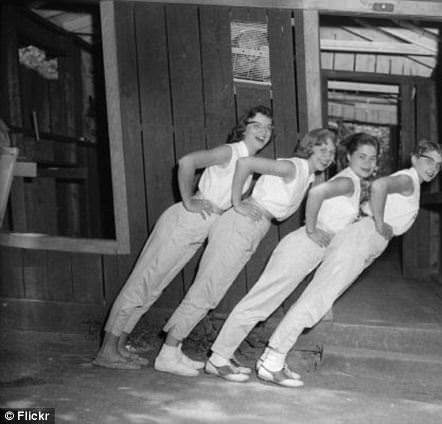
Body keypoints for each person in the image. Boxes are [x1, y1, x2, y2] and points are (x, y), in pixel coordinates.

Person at [93, 105, 273, 370]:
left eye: (268, 127)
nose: (263, 132)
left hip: (198, 228)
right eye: (257, 125)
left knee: (154, 285)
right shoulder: (230, 151)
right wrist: (188, 200)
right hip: (185, 221)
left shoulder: (248, 162)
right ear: (243, 127)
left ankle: (119, 345)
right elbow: (187, 161)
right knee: (144, 282)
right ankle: (107, 350)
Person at [256, 139, 442, 387]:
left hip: (364, 240)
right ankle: (272, 361)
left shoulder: (412, 181)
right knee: (317, 299)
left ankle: (274, 358)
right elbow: (379, 185)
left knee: (319, 298)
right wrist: (379, 223)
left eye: (439, 165)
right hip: (363, 237)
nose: (433, 168)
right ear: (414, 158)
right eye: (428, 160)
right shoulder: (408, 179)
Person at [154, 128, 337, 377]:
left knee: (211, 292)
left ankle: (174, 351)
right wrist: (238, 202)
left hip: (253, 228)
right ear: (309, 147)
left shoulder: (308, 176)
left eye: (331, 151)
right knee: (207, 290)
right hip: (242, 224)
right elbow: (246, 162)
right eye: (322, 148)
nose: (327, 155)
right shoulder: (293, 167)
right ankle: (167, 353)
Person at [207, 133, 380, 386]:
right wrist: (311, 228)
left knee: (264, 303)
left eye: (372, 158)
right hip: (303, 246)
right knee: (261, 301)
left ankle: (226, 355)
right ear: (350, 157)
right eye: (361, 156)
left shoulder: (350, 182)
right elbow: (317, 193)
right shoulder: (348, 182)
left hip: (311, 249)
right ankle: (218, 358)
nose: (367, 163)